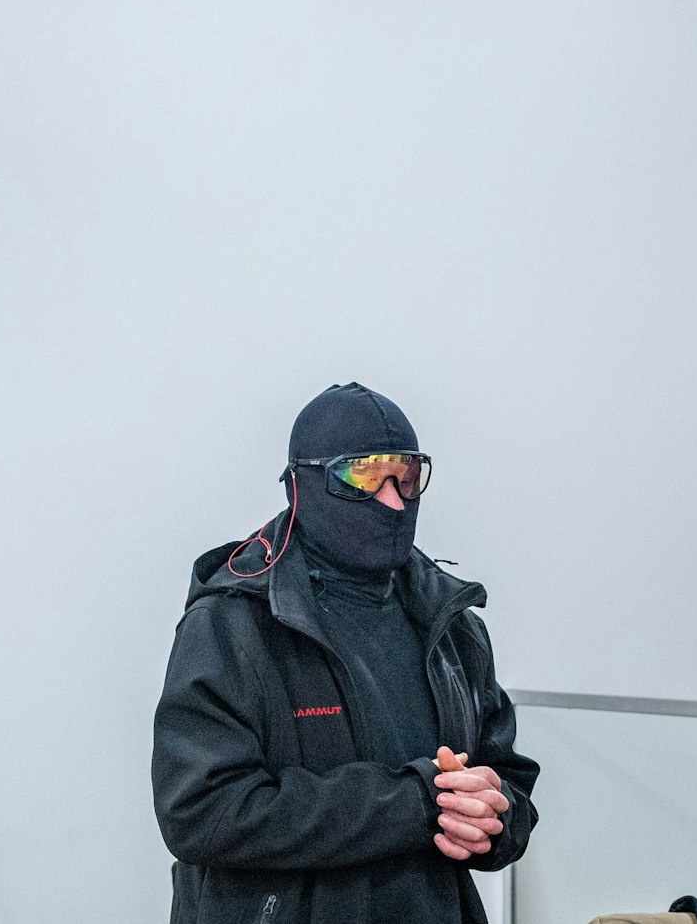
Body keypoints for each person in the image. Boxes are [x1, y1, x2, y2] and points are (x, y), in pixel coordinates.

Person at [151, 383, 538, 924]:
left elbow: (508, 782)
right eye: (362, 475)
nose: (393, 500)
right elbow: (202, 813)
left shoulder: (450, 623)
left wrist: (494, 818)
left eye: (406, 476)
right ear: (302, 486)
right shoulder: (233, 622)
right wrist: (414, 802)